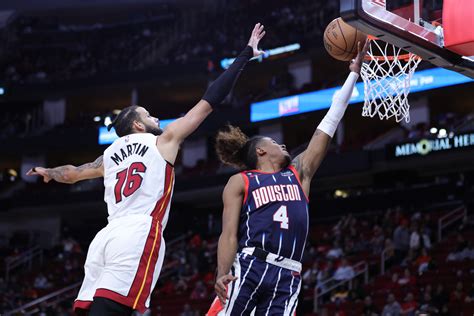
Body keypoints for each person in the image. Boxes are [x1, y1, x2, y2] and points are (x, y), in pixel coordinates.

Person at [26, 24, 266, 316]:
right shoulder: (163, 140)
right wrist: (245, 55)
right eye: (148, 115)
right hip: (138, 233)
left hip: (106, 237)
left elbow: (73, 173)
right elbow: (210, 101)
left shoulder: (109, 155)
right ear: (138, 125)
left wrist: (50, 171)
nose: (154, 117)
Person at [207, 40, 369, 315]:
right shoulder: (241, 180)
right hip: (251, 265)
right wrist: (222, 272)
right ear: (260, 150)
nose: (281, 144)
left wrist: (353, 73)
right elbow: (229, 234)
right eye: (273, 141)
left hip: (289, 274)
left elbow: (328, 124)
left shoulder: (298, 173)